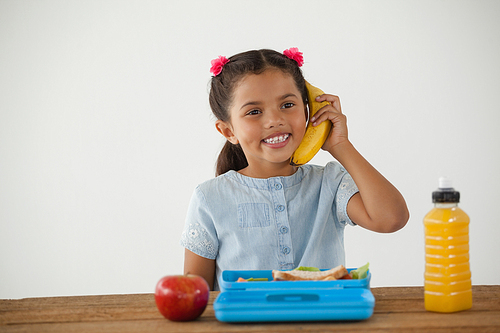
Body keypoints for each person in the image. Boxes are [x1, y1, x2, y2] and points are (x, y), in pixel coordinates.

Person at [180, 48, 409, 290]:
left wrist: (341, 145)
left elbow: (391, 219)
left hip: (324, 324)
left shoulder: (330, 182)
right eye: (254, 112)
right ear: (228, 131)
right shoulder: (209, 198)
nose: (274, 120)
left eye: (287, 104)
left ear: (308, 112)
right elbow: (195, 294)